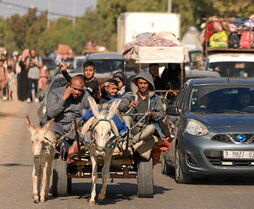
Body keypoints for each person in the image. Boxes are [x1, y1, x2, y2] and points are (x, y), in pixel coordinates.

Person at [46, 75, 90, 159]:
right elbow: (51, 114)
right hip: (57, 127)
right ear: (69, 85)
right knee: (46, 131)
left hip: (75, 130)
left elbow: (91, 113)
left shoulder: (86, 96)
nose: (77, 92)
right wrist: (63, 98)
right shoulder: (55, 93)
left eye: (80, 90)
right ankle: (61, 152)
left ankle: (75, 147)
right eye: (75, 89)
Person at [118, 71, 166, 148]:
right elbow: (120, 106)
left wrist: (152, 114)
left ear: (149, 84)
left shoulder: (156, 99)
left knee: (152, 127)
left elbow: (162, 114)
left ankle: (130, 142)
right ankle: (125, 138)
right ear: (137, 84)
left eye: (145, 83)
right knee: (126, 118)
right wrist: (128, 105)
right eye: (140, 83)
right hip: (132, 127)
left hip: (145, 127)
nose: (142, 86)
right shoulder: (130, 95)